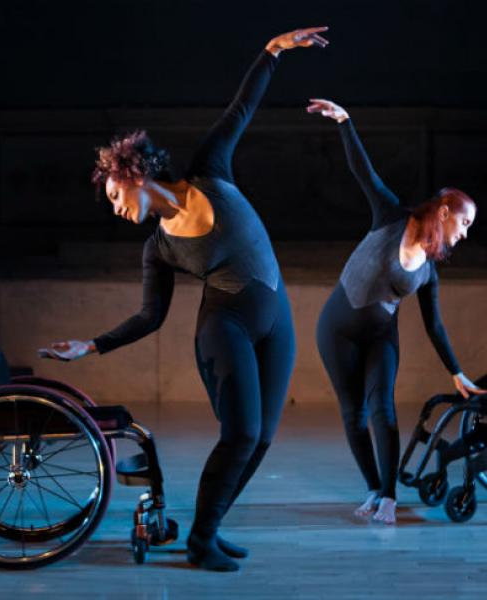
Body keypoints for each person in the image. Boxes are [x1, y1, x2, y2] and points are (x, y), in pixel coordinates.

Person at [40, 27, 329, 571]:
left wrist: (273, 50)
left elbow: (242, 107)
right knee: (240, 433)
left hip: (277, 319)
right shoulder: (159, 250)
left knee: (262, 438)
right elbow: (151, 317)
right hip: (226, 327)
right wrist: (92, 346)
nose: (114, 207)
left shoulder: (210, 171)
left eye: (114, 194)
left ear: (135, 172)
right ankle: (201, 543)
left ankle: (210, 530)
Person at [307, 98, 486, 525]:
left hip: (380, 336)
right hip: (336, 330)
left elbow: (434, 325)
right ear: (444, 212)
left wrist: (456, 371)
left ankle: (387, 496)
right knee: (354, 415)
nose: (464, 235)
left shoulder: (428, 273)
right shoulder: (390, 217)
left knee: (381, 409)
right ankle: (372, 487)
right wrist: (346, 121)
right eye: (463, 225)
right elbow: (362, 172)